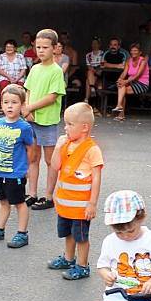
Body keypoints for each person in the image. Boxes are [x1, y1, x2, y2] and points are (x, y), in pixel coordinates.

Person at [47, 103, 104, 280]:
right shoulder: (66, 145)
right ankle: (68, 258)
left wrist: (92, 203)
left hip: (81, 207)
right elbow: (55, 166)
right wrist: (57, 147)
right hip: (64, 203)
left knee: (81, 237)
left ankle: (82, 265)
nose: (65, 128)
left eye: (70, 124)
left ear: (84, 127)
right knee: (68, 233)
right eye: (66, 124)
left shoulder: (92, 149)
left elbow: (96, 178)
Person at [0, 84, 35, 249]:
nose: (10, 106)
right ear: (1, 104)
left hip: (15, 174)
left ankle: (22, 233)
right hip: (0, 172)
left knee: (19, 203)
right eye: (6, 102)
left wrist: (26, 169)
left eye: (14, 102)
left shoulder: (24, 127)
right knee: (3, 202)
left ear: (22, 105)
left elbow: (31, 150)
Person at [23, 29, 66, 211]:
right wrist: (26, 108)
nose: (41, 51)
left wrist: (31, 107)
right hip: (31, 119)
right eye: (38, 47)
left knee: (50, 160)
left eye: (45, 47)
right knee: (33, 157)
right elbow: (28, 90)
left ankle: (48, 196)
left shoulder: (56, 70)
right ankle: (32, 193)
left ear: (55, 48)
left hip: (47, 121)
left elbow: (52, 96)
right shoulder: (34, 68)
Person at [112, 43, 149, 122]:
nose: (133, 52)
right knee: (121, 86)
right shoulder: (128, 61)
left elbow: (137, 75)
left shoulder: (143, 61)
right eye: (132, 50)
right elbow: (124, 73)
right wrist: (120, 79)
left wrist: (125, 81)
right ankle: (120, 109)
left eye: (135, 50)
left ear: (140, 52)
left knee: (123, 88)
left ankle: (120, 111)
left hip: (142, 84)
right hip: (131, 82)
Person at [84, 37, 105, 104]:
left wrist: (97, 70)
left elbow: (103, 65)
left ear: (99, 45)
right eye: (93, 43)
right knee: (89, 76)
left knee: (88, 80)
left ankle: (86, 99)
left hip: (100, 73)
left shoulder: (103, 54)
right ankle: (92, 89)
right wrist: (93, 70)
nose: (94, 45)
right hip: (92, 72)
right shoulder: (88, 55)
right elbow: (89, 66)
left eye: (96, 43)